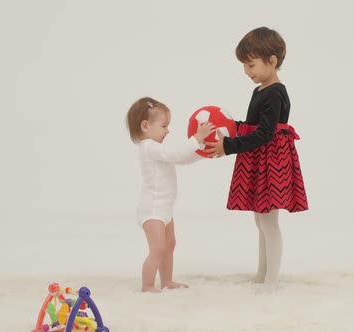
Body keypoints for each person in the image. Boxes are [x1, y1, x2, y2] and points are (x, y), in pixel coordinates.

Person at [205, 27, 309, 291]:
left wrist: (228, 145)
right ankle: (262, 273)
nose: (247, 71)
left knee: (268, 221)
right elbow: (254, 125)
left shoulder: (275, 92)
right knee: (260, 218)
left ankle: (272, 279)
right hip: (259, 158)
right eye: (244, 65)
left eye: (251, 64)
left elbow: (264, 134)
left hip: (270, 161)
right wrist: (229, 126)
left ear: (272, 61)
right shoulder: (261, 90)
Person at [126, 97, 215, 293]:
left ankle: (166, 281)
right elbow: (176, 154)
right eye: (164, 125)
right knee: (158, 248)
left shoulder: (157, 150)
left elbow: (181, 159)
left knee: (169, 244)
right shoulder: (148, 147)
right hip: (152, 209)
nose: (168, 131)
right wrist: (197, 138)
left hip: (164, 207)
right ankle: (148, 285)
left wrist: (203, 152)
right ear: (145, 126)